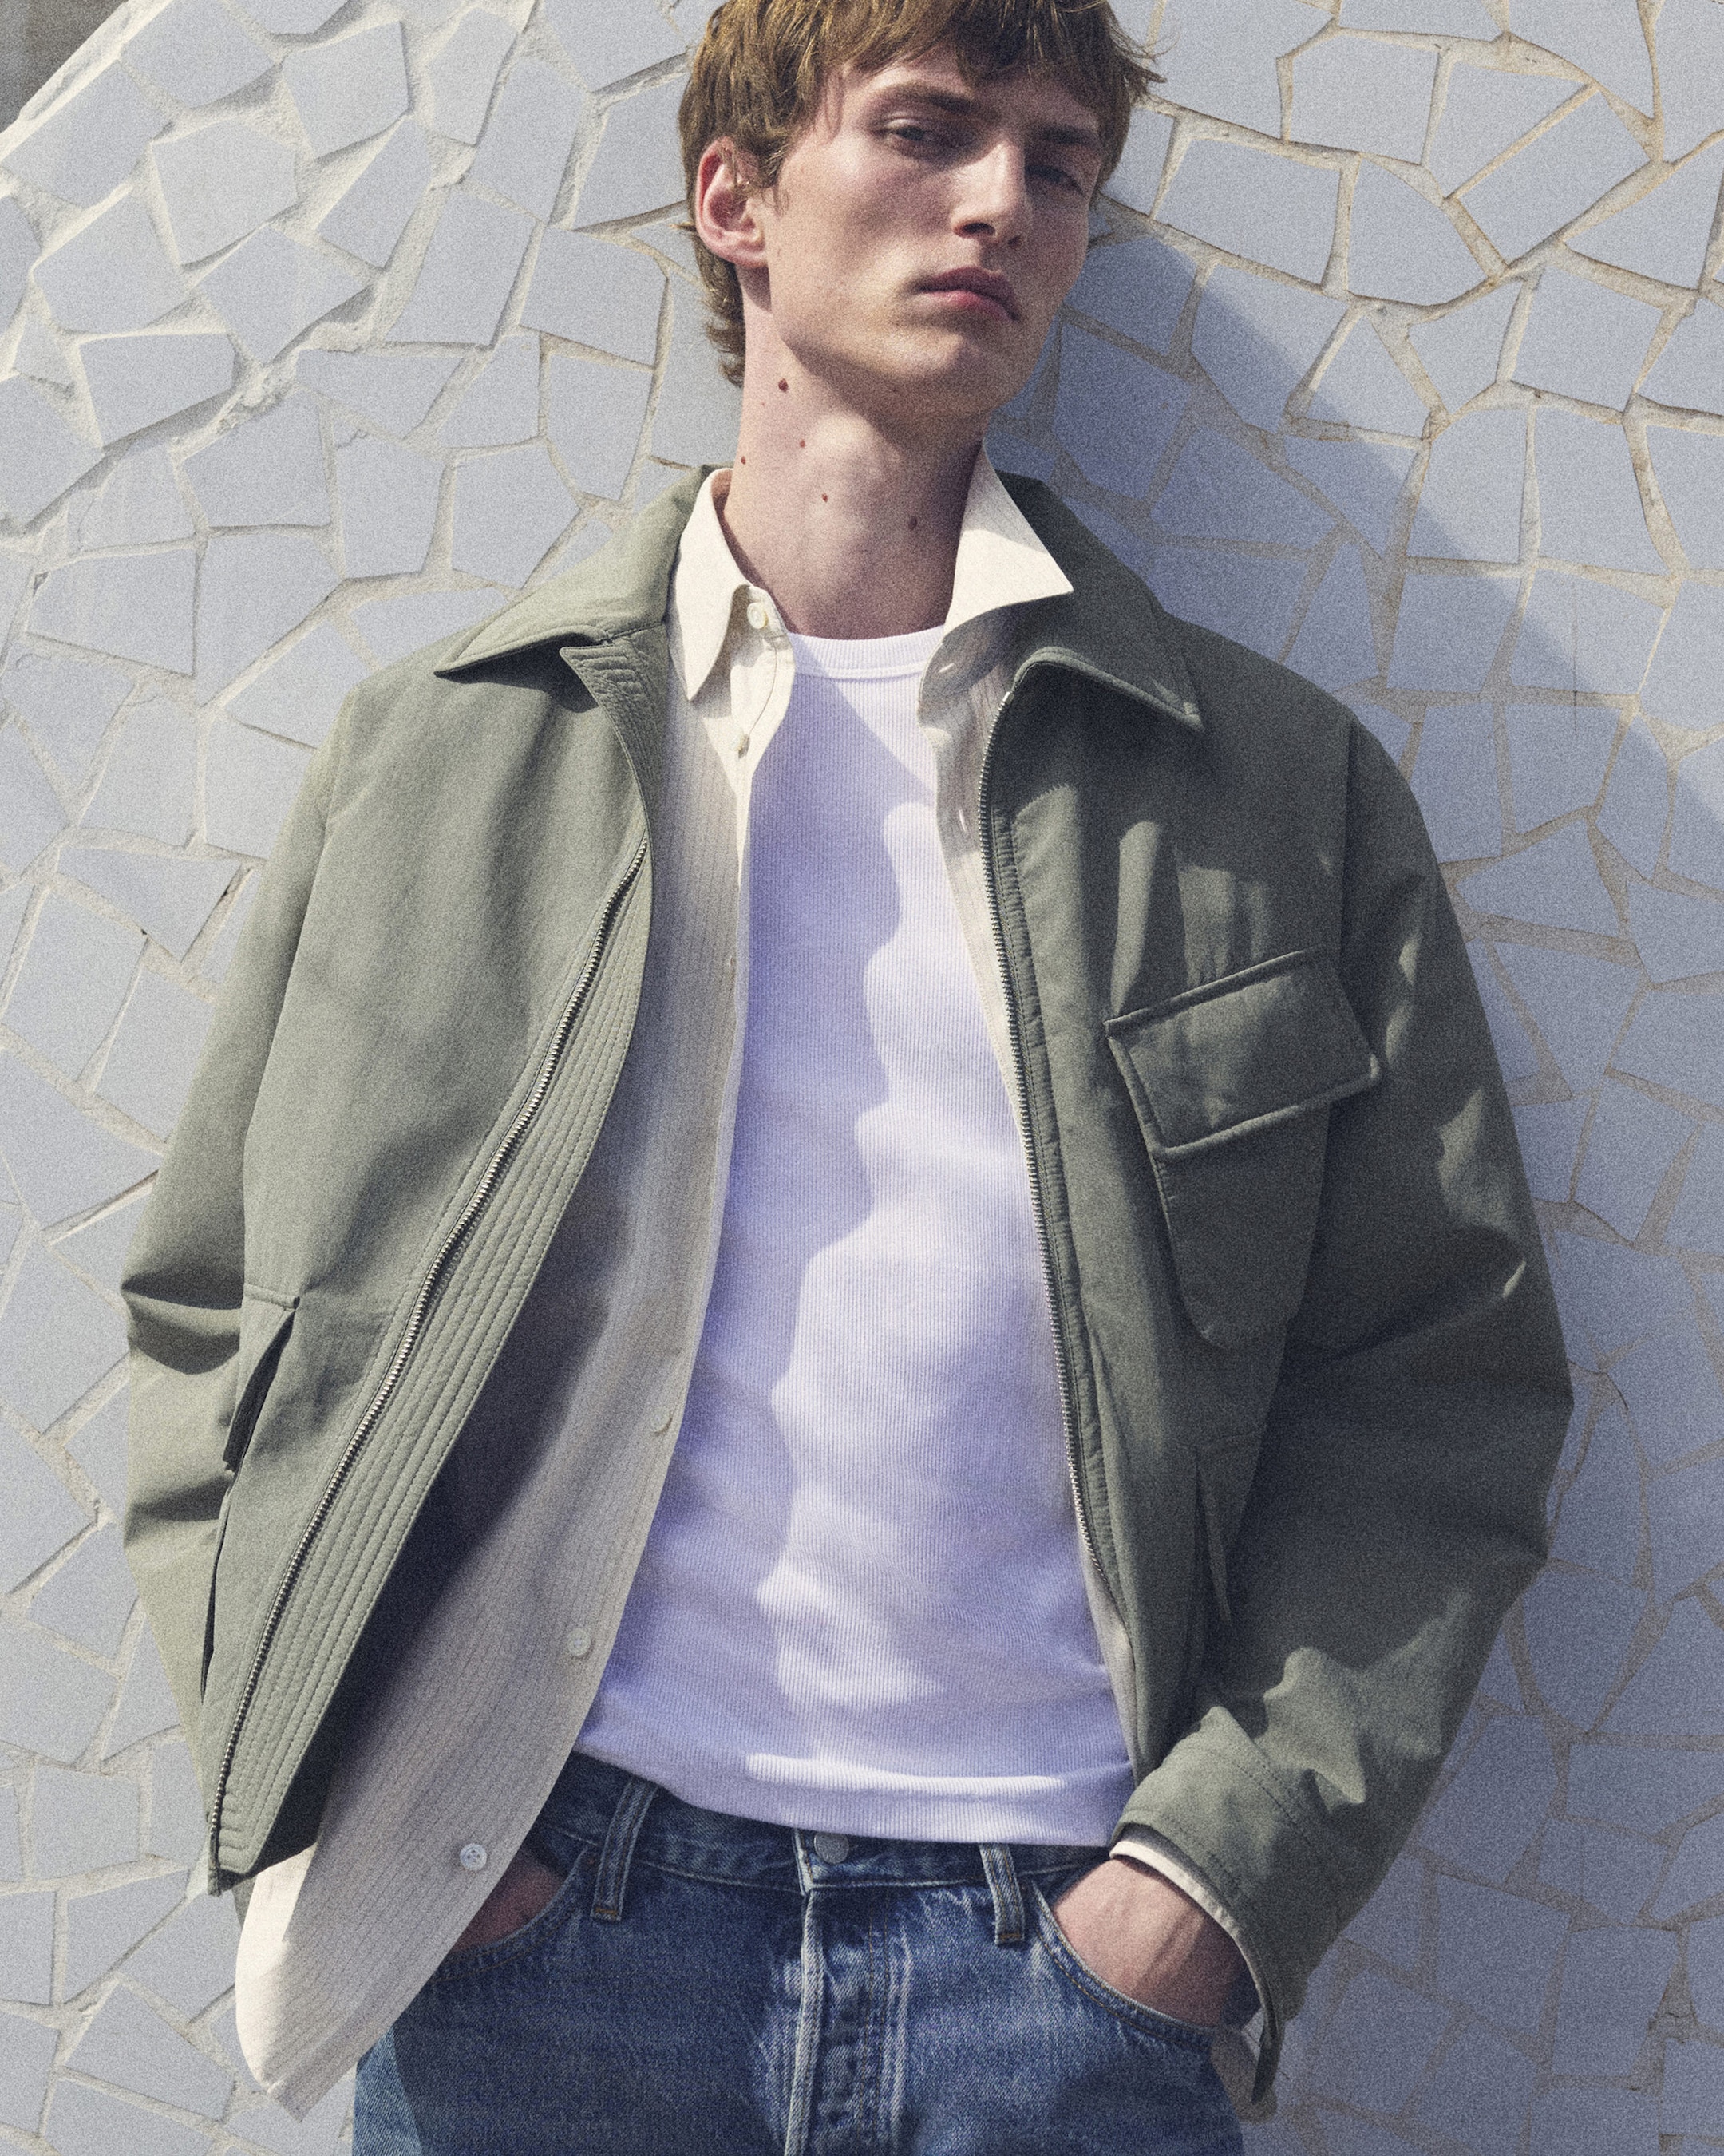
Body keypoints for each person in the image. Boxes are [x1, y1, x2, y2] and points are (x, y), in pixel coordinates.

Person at [121, 1, 1572, 2149]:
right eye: (926, 129)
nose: (1001, 204)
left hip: (1059, 1974)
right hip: (541, 1935)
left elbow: (1437, 1383)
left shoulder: (1272, 793)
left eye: (1058, 163)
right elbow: (225, 1322)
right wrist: (368, 1795)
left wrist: (1205, 1891)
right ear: (736, 199)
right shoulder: (455, 752)